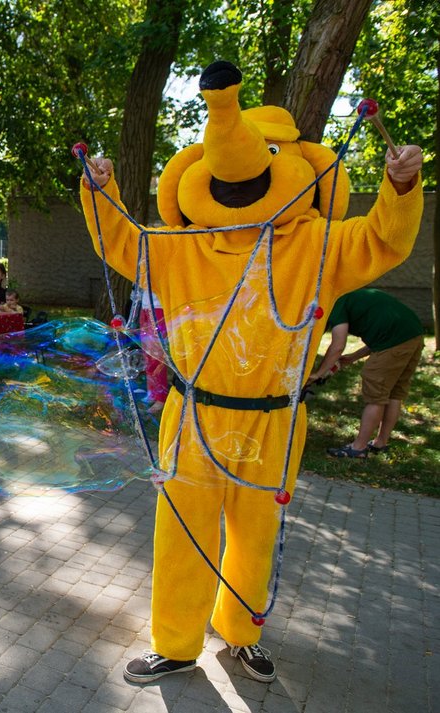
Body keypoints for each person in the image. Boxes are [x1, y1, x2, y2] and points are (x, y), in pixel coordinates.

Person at [80, 60, 423, 685]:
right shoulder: (178, 246)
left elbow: (383, 241)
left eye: (267, 152)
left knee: (255, 535)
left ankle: (240, 634)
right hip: (194, 417)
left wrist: (400, 188)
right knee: (182, 536)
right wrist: (100, 193)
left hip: (273, 424)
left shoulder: (318, 243)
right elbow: (122, 243)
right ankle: (178, 643)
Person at [309, 288, 425, 458]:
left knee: (375, 395)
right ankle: (380, 443)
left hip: (396, 338)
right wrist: (355, 356)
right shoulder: (350, 296)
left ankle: (358, 448)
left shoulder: (334, 304)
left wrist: (318, 373)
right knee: (394, 393)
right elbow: (384, 330)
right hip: (413, 333)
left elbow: (338, 345)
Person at [139, 288, 170, 415]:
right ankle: (152, 392)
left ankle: (161, 397)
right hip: (145, 307)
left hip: (157, 307)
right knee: (148, 353)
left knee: (156, 354)